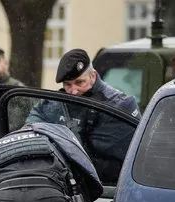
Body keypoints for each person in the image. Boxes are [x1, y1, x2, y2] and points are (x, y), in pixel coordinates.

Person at [26, 48, 140, 183]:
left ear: (93, 76)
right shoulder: (52, 104)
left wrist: (56, 139)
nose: (73, 91)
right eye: (68, 84)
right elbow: (31, 131)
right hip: (60, 184)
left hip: (107, 189)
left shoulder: (120, 106)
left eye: (80, 82)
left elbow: (94, 156)